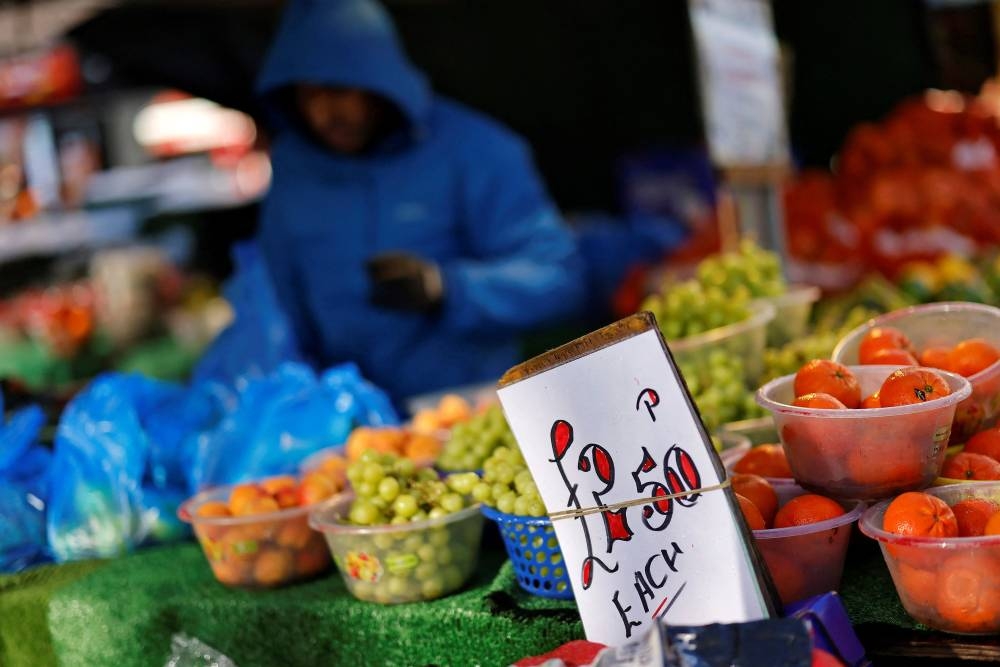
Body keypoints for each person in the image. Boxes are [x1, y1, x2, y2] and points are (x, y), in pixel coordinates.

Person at [253, 0, 584, 402]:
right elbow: (277, 300)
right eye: (307, 95)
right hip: (349, 426)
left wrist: (447, 288)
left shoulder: (476, 151)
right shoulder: (293, 169)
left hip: (464, 409)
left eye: (338, 89)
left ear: (378, 78)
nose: (324, 113)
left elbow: (558, 276)